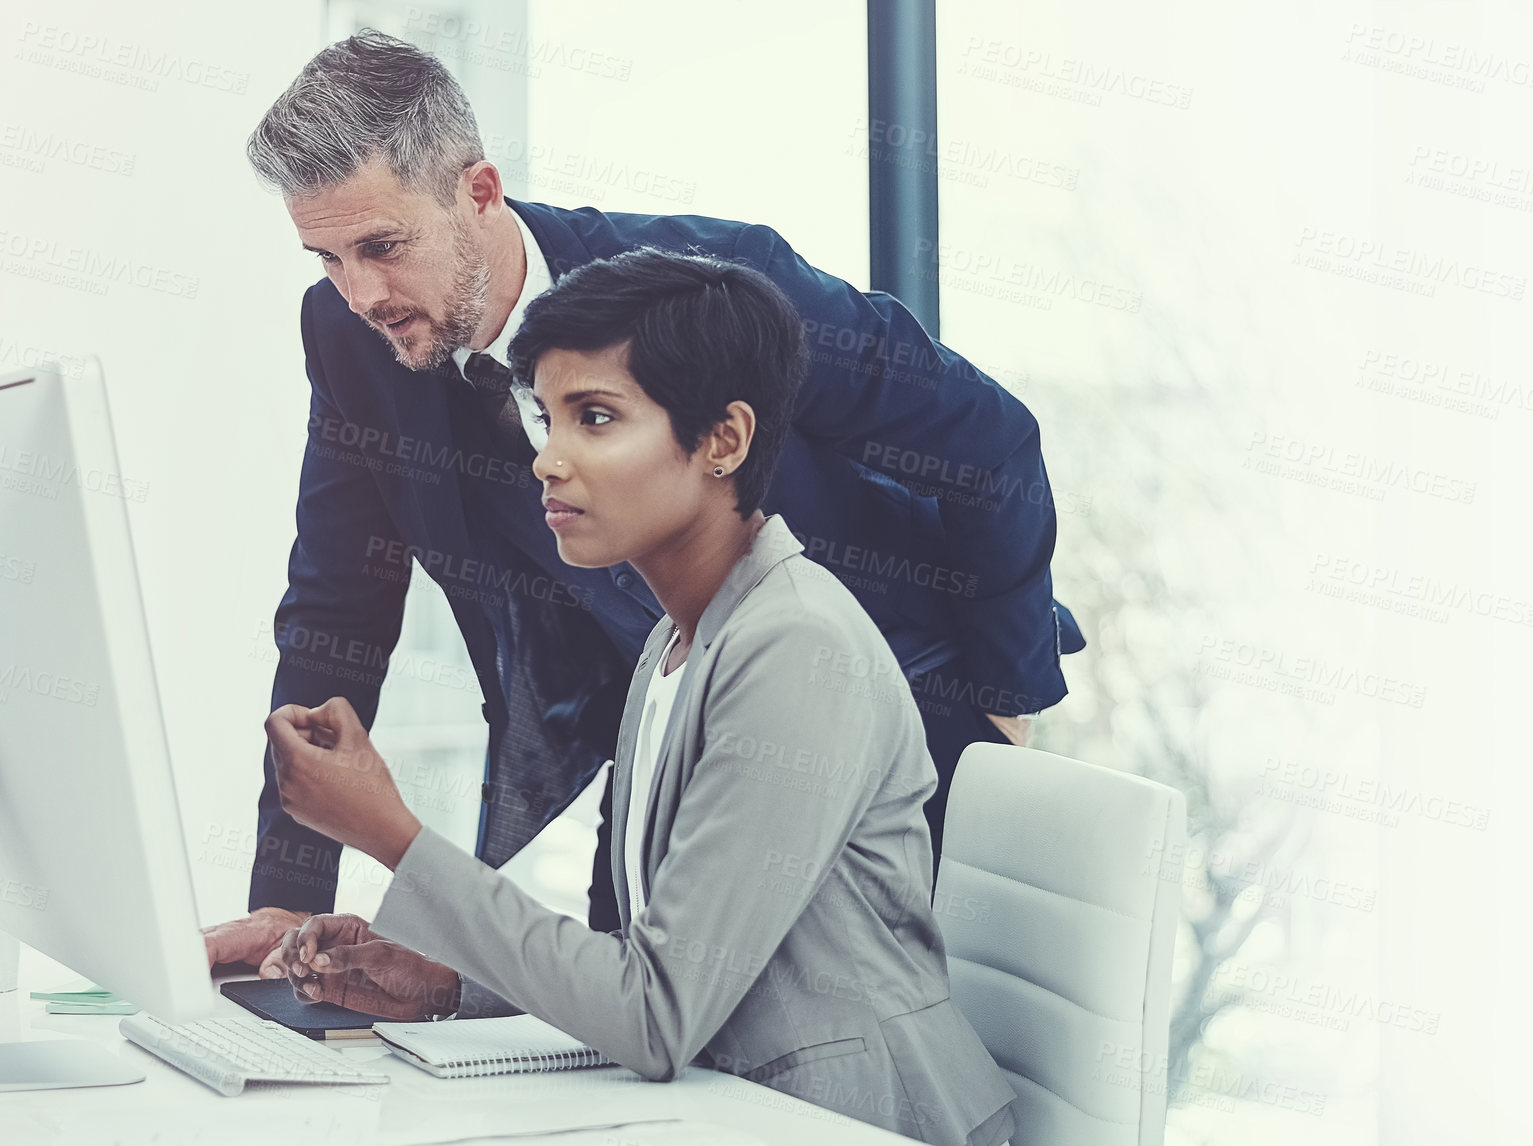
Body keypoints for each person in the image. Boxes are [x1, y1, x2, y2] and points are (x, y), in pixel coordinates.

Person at [206, 30, 1083, 970]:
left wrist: (1001, 702)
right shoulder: (351, 342)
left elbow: (989, 440)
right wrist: (286, 897)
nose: (360, 293)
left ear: (480, 192)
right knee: (618, 1041)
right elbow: (337, 601)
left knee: (865, 1056)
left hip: (893, 706)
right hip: (658, 742)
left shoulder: (715, 292)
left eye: (382, 246)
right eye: (327, 259)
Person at [260, 248, 1018, 1146]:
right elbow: (658, 962)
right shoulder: (675, 639)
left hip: (864, 1120)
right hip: (733, 1105)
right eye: (548, 418)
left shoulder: (793, 647)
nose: (549, 459)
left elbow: (654, 1016)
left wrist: (392, 834)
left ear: (723, 442)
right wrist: (448, 981)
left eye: (596, 418)